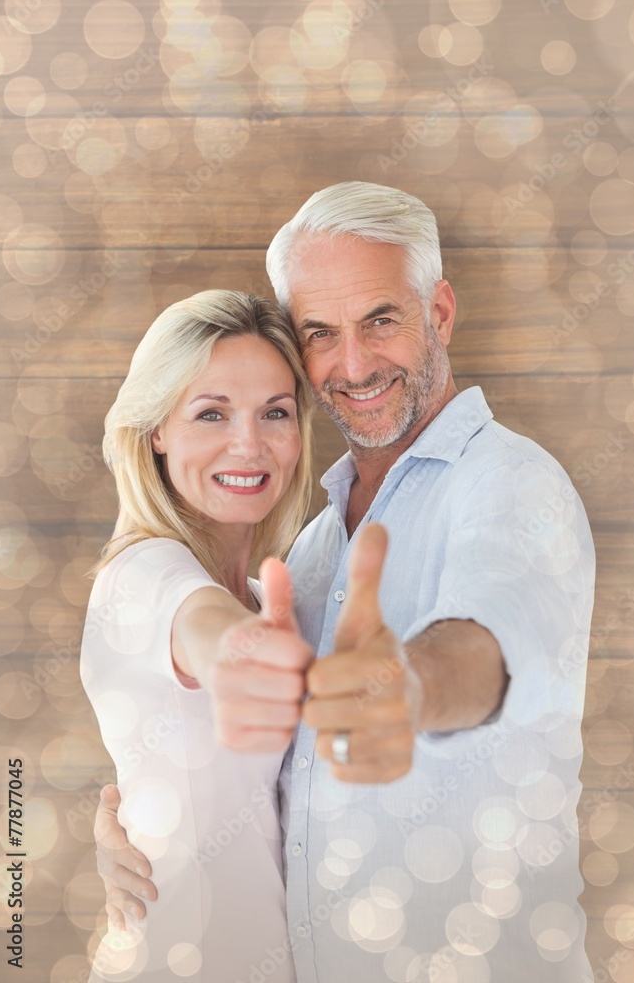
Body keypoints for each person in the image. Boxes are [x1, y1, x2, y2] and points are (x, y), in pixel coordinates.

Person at [93, 184, 596, 983]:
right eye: (320, 333)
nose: (354, 364)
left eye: (381, 320)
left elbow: (484, 641)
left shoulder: (509, 486)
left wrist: (410, 687)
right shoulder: (312, 553)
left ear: (439, 313)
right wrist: (138, 816)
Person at [80, 290, 317, 982]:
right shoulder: (145, 573)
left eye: (274, 412)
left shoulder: (257, 592)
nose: (249, 443)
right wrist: (253, 660)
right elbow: (213, 639)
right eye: (211, 413)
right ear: (156, 429)